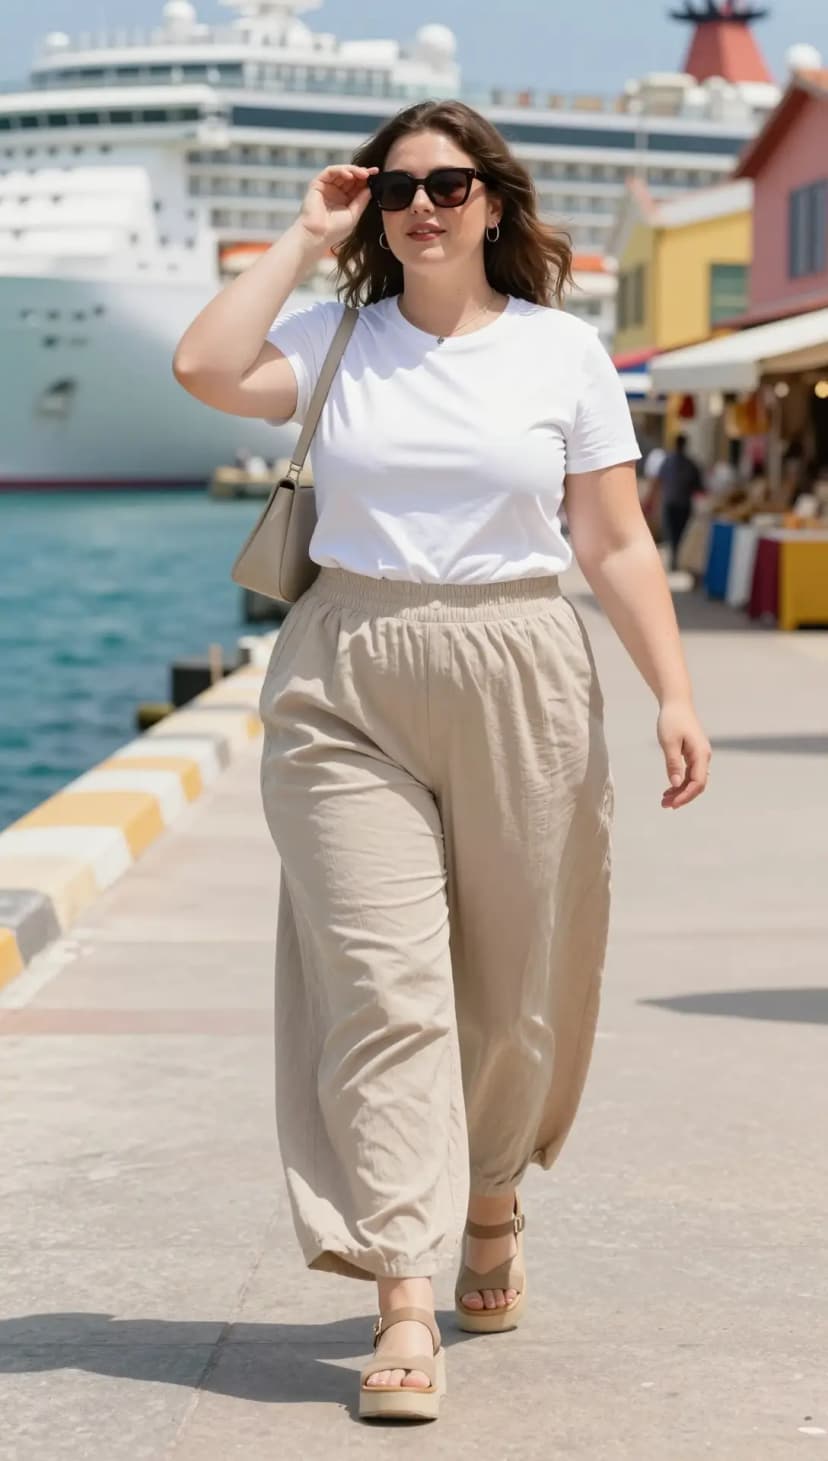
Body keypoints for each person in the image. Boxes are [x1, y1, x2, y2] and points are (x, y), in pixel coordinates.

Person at [173, 100, 711, 1424]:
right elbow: (201, 365)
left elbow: (615, 541)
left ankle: (490, 1201)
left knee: (511, 982)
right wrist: (305, 236)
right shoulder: (333, 333)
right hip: (344, 670)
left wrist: (675, 692)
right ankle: (402, 1291)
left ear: (494, 203)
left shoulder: (559, 353)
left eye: (451, 184)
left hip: (521, 660)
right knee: (381, 981)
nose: (424, 203)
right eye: (399, 185)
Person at [658, 433, 704, 571]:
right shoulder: (690, 464)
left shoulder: (667, 461)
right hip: (683, 503)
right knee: (680, 533)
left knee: (672, 533)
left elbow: (658, 480)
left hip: (670, 502)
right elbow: (699, 486)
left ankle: (675, 559)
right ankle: (676, 559)